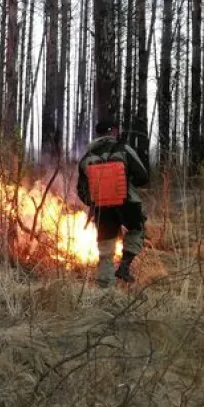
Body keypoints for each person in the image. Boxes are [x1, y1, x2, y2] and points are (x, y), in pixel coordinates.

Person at [77, 120, 150, 287]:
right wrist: (128, 183)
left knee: (106, 247)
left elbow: (81, 190)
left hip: (102, 207)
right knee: (137, 228)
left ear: (98, 135)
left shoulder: (87, 157)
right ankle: (124, 267)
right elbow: (143, 176)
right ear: (113, 132)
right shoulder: (123, 148)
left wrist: (95, 199)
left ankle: (105, 289)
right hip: (127, 202)